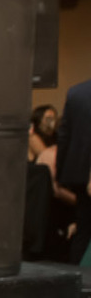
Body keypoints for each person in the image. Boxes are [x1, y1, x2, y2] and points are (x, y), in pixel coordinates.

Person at [56, 76, 91, 265]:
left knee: (83, 228)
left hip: (79, 172)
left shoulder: (76, 92)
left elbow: (64, 135)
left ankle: (80, 283)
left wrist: (61, 172)